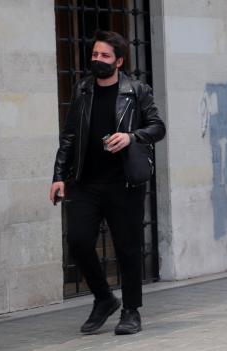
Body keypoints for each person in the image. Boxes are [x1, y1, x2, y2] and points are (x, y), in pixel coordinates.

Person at [50, 31, 166, 335]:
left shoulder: (136, 90)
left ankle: (131, 311)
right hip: (86, 182)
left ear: (119, 61)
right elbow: (70, 135)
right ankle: (104, 298)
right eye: (94, 54)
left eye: (104, 56)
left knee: (128, 248)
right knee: (78, 241)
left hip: (124, 183)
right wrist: (58, 176)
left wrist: (131, 136)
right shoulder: (83, 89)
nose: (97, 60)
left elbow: (157, 127)